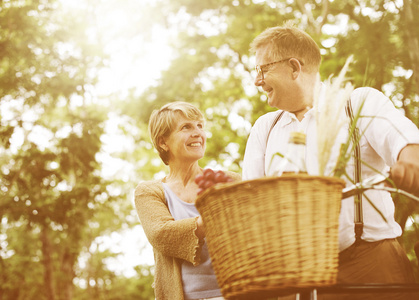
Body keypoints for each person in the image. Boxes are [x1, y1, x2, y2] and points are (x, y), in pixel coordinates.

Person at [243, 22, 419, 299]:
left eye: (263, 69)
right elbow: (250, 202)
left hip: (372, 269)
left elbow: (402, 138)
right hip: (296, 278)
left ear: (294, 67)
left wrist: (410, 159)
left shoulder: (357, 103)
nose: (257, 80)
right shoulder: (265, 129)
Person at [134, 101, 240, 300]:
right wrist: (217, 214)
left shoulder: (229, 181)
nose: (197, 133)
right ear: (163, 142)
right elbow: (163, 235)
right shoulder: (149, 191)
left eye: (200, 126)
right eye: (186, 127)